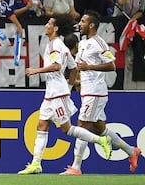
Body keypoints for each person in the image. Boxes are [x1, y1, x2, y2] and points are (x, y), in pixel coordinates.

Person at [17, 13, 112, 175]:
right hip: (52, 92)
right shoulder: (55, 45)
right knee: (42, 125)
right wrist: (68, 86)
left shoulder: (56, 46)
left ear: (55, 28)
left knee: (67, 129)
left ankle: (101, 139)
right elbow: (73, 67)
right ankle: (36, 163)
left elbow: (56, 66)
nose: (46, 25)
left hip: (56, 93)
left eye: (49, 23)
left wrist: (36, 71)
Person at [60, 10, 142, 175]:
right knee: (100, 130)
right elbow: (78, 68)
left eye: (83, 21)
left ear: (91, 25)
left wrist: (89, 67)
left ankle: (76, 167)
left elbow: (111, 65)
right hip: (88, 92)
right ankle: (131, 151)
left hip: (96, 92)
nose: (80, 24)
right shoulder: (83, 43)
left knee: (82, 125)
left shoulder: (99, 43)